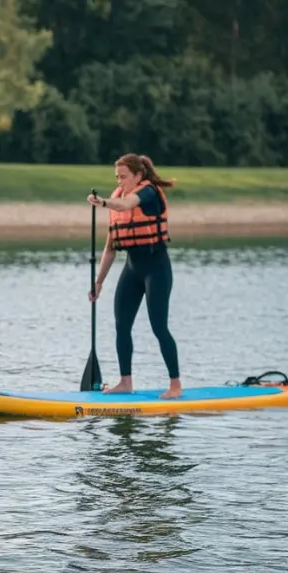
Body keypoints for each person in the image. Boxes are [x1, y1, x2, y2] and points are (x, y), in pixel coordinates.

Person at [86, 153, 182, 399]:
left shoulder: (148, 193)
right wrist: (98, 282)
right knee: (121, 326)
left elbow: (128, 205)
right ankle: (125, 382)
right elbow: (110, 248)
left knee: (159, 327)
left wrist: (103, 203)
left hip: (156, 268)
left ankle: (175, 386)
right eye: (117, 177)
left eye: (124, 177)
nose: (120, 182)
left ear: (138, 175)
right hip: (132, 269)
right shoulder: (117, 197)